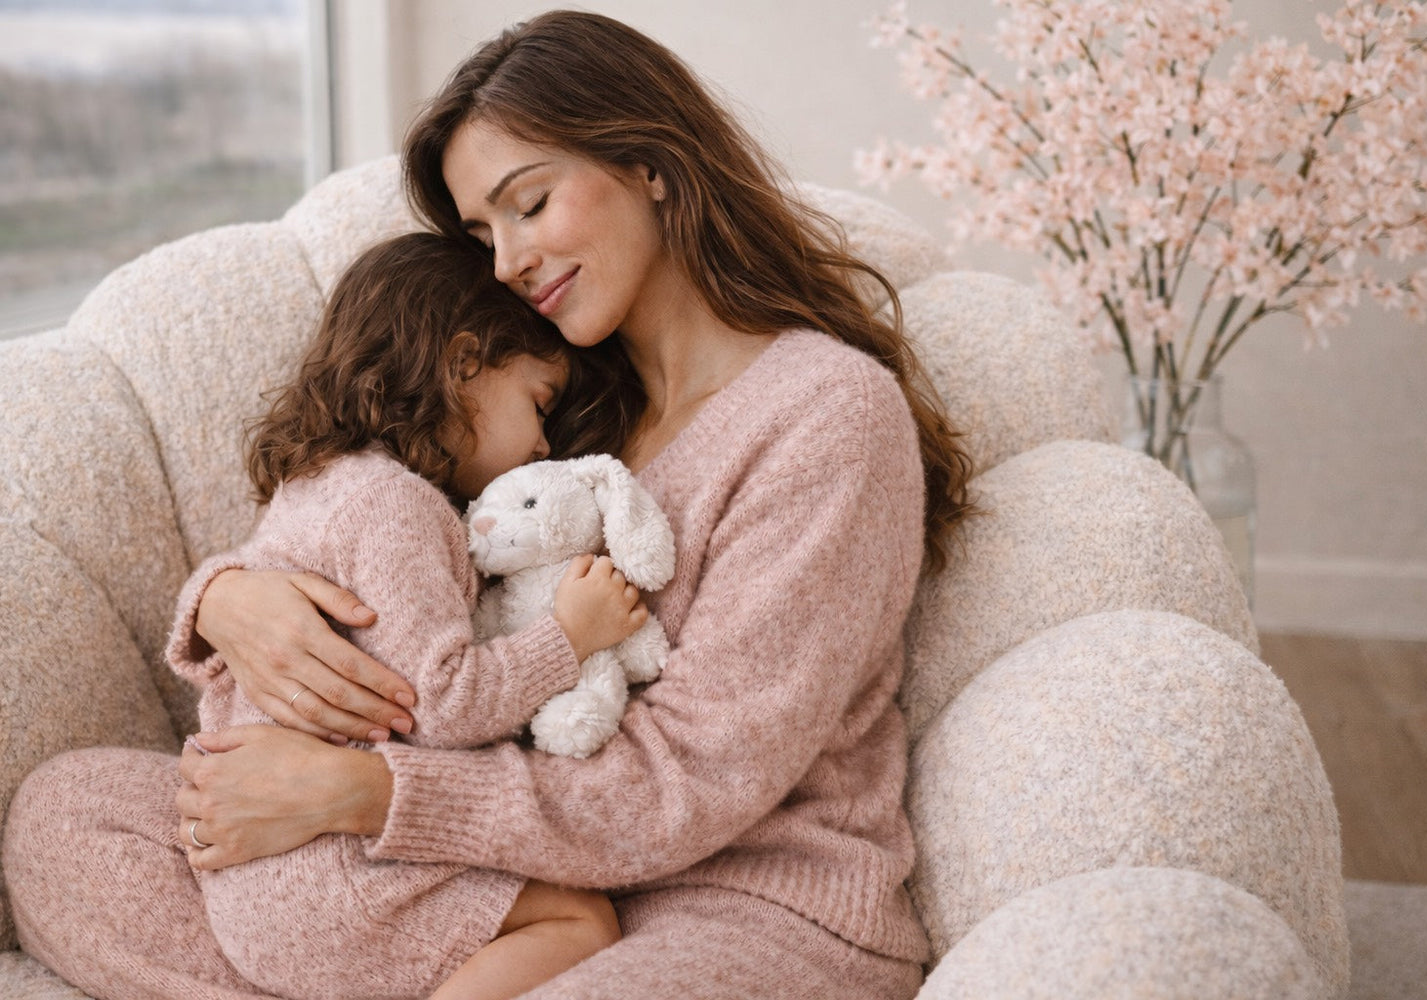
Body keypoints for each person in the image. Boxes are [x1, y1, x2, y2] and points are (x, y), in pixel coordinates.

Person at [3, 10, 972, 1000]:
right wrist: (232, 599)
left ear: (651, 163)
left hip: (735, 907)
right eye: (482, 232)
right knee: (64, 818)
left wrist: (362, 793)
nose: (506, 260)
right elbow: (361, 518)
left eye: (530, 202)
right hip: (480, 887)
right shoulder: (542, 405)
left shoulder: (826, 418)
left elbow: (686, 783)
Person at [166, 230, 638, 1000]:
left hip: (249, 882)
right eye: (538, 403)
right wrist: (571, 635)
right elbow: (444, 703)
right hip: (327, 879)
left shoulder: (312, 482)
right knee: (582, 923)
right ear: (462, 366)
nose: (545, 442)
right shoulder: (398, 506)